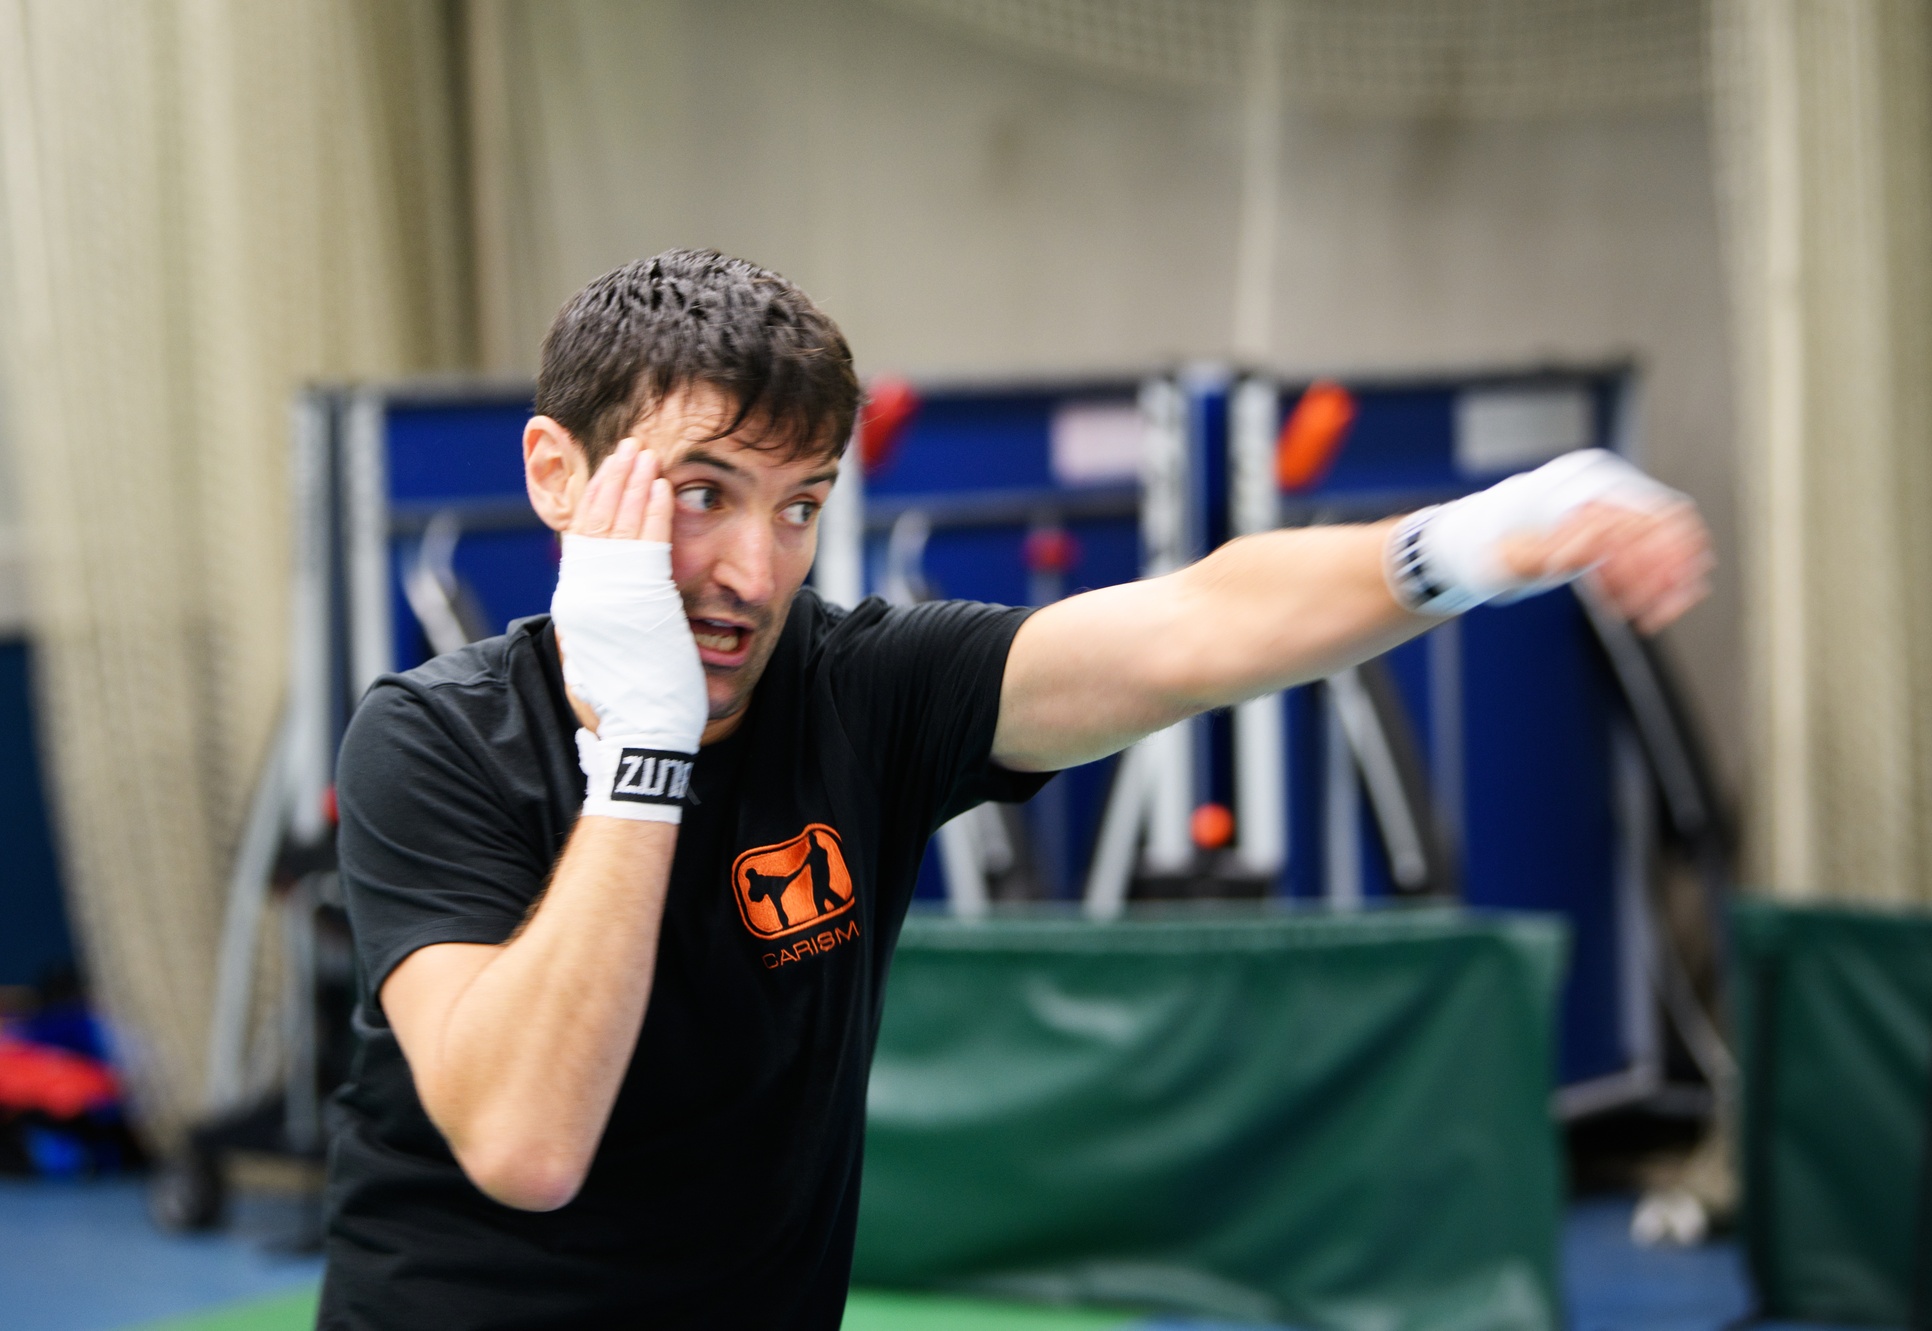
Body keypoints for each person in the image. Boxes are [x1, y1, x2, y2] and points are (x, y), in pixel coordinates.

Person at [318, 249, 1711, 1329]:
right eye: (702, 493)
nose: (755, 569)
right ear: (557, 475)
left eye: (799, 506)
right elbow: (526, 1141)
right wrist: (647, 748)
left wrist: (1479, 537)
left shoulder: (853, 690)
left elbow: (1193, 624)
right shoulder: (432, 745)